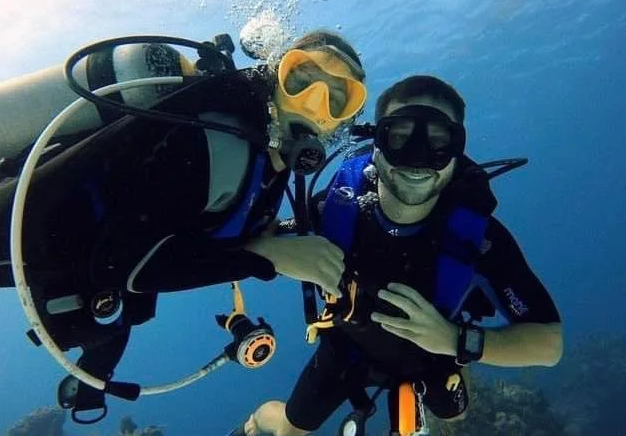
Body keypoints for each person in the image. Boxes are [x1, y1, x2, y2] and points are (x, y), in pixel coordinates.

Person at [0, 29, 367, 418]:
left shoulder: (266, 166)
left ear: (342, 123)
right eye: (302, 79)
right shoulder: (216, 140)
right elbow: (125, 267)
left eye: (338, 99)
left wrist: (98, 369)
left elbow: (148, 257)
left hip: (12, 253)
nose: (314, 102)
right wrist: (264, 259)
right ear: (275, 73)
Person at [235, 75, 563, 436]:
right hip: (347, 346)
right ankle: (254, 422)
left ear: (457, 151)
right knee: (289, 431)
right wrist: (272, 251)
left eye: (438, 142)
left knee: (454, 416)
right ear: (377, 142)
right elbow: (243, 244)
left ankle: (446, 374)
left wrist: (457, 340)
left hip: (434, 353)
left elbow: (549, 345)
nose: (418, 161)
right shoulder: (334, 209)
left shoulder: (480, 240)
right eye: (400, 137)